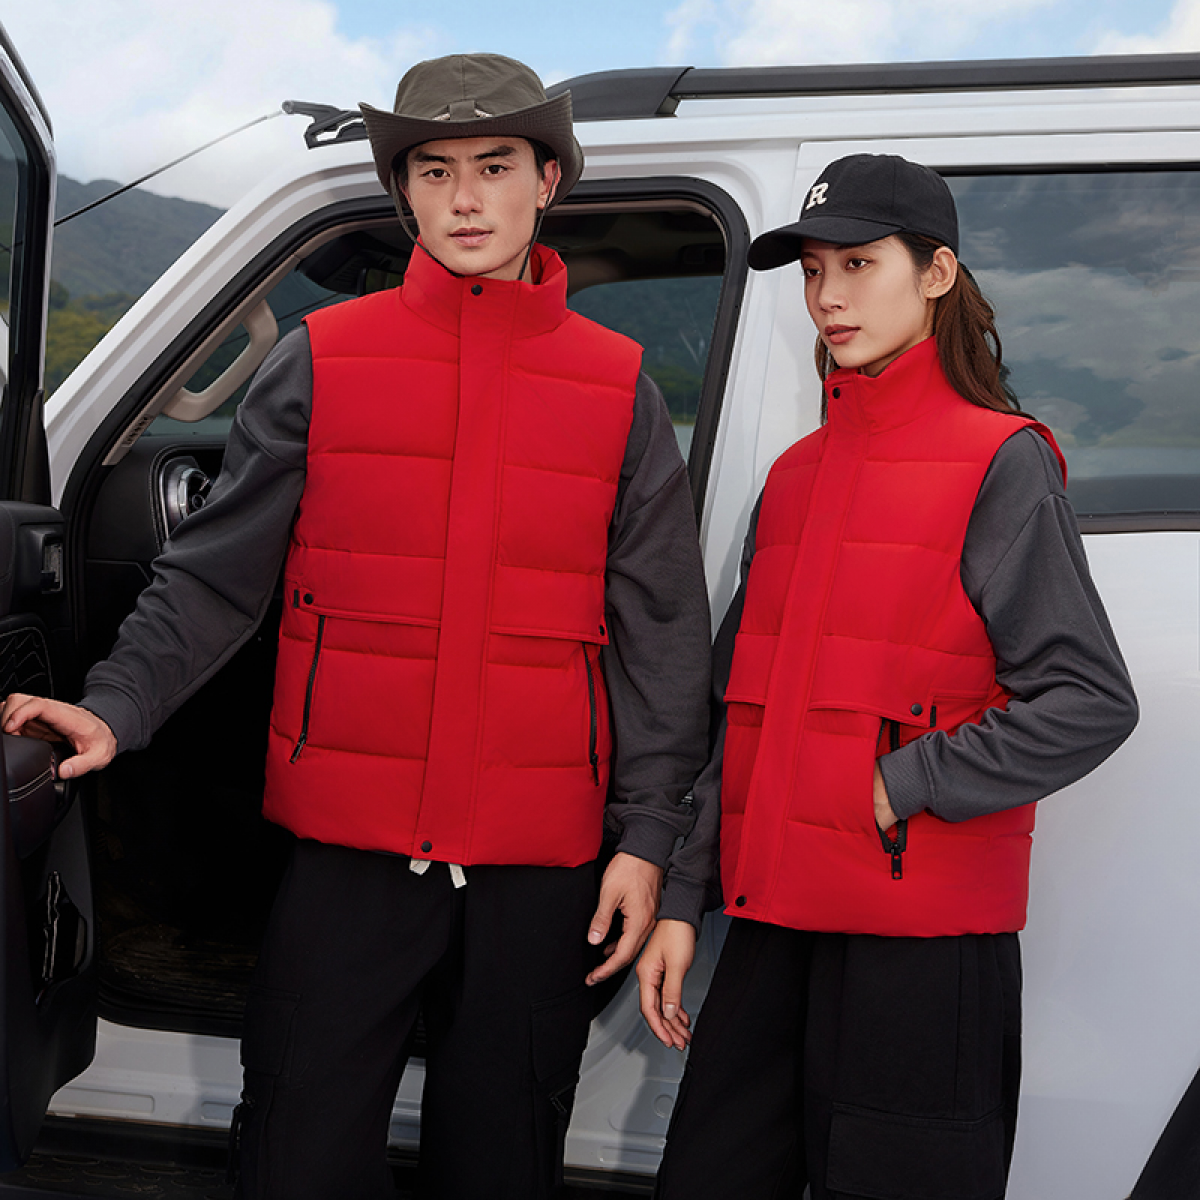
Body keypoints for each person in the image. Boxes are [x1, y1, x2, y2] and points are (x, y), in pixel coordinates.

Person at [3, 54, 711, 1200]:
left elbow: (662, 635)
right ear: (404, 192)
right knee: (296, 1152)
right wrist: (115, 704)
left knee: (504, 1164)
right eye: (434, 171)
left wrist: (648, 839)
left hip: (542, 867)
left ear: (549, 180)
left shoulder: (620, 388)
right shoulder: (319, 359)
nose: (465, 197)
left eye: (495, 166)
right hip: (351, 858)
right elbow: (215, 578)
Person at [636, 153, 1139, 1200]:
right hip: (773, 932)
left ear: (937, 273)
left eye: (859, 264)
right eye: (814, 270)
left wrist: (896, 783)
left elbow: (1090, 699)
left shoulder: (1003, 461)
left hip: (922, 952)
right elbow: (739, 712)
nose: (828, 296)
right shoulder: (793, 478)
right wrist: (684, 898)